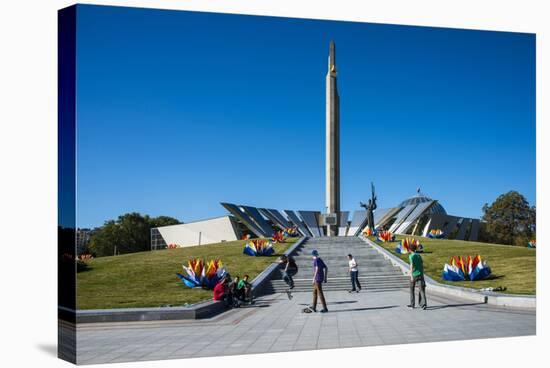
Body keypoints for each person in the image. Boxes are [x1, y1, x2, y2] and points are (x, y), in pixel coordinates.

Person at [408, 244, 427, 310]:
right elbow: (422, 265)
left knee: (411, 289)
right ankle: (423, 304)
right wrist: (422, 274)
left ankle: (412, 304)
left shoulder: (411, 256)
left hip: (414, 275)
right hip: (420, 274)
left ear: (410, 250)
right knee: (421, 290)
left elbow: (411, 266)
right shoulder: (419, 256)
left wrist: (411, 276)